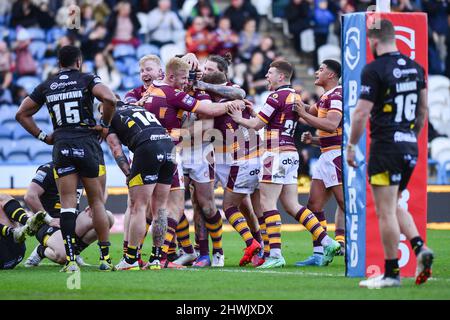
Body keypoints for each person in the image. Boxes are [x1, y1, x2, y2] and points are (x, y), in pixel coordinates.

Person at [346, 19, 434, 288]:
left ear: (373, 41)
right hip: (409, 144)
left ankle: (391, 273)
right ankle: (420, 248)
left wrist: (351, 145)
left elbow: (361, 112)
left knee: (384, 212)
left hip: (385, 146)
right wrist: (410, 137)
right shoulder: (416, 68)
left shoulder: (374, 69)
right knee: (395, 204)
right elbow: (423, 110)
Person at [229, 59, 341, 268]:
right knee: (292, 205)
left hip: (275, 153)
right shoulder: (294, 96)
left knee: (267, 204)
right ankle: (327, 241)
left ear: (281, 76)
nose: (266, 76)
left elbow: (255, 126)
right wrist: (256, 114)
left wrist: (239, 117)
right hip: (291, 153)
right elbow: (273, 119)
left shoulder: (274, 96)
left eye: (270, 73)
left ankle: (275, 255)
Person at [15, 45, 117, 272]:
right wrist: (105, 125)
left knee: (68, 204)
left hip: (61, 145)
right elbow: (110, 99)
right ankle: (106, 259)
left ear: (59, 63)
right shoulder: (87, 78)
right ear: (79, 62)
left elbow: (21, 114)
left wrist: (43, 136)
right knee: (96, 202)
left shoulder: (47, 85)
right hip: (87, 143)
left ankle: (71, 261)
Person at [142, 57, 245, 265]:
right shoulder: (166, 91)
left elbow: (206, 129)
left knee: (205, 205)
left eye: (190, 77)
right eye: (184, 76)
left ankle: (214, 252)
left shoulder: (201, 92)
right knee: (174, 204)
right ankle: (175, 252)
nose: (186, 81)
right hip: (177, 153)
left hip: (200, 154)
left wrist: (174, 134)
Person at [105, 101, 175, 270]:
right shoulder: (136, 108)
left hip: (148, 147)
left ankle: (131, 260)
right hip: (169, 146)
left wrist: (129, 174)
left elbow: (116, 149)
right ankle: (156, 259)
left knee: (138, 207)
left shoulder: (109, 116)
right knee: (160, 209)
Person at [293, 60, 345, 266]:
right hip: (326, 155)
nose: (317, 72)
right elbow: (309, 112)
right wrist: (290, 101)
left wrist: (303, 113)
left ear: (331, 75)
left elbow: (332, 125)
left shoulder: (337, 96)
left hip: (336, 157)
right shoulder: (325, 97)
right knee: (314, 205)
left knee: (345, 205)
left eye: (321, 69)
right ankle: (320, 254)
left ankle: (368, 245)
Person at [23, 162, 115, 267]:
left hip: (72, 220)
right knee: (63, 257)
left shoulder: (84, 168)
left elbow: (102, 188)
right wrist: (49, 219)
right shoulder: (48, 169)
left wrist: (97, 204)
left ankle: (74, 253)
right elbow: (30, 196)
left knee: (106, 217)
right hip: (49, 223)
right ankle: (41, 250)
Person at [0, 193, 47, 270]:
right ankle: (13, 233)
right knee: (61, 254)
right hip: (9, 257)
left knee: (3, 197)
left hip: (13, 250)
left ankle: (27, 221)